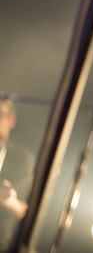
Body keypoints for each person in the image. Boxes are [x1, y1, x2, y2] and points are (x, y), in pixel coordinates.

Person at [0, 100, 33, 252]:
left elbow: (27, 211)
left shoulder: (22, 158)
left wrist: (10, 201)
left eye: (0, 114)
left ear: (11, 120)